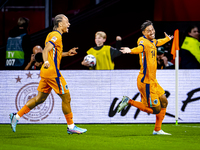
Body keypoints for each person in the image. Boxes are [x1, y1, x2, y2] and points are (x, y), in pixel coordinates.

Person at [9, 14, 87, 134]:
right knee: (66, 98)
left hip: (45, 72)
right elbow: (46, 50)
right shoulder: (56, 35)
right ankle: (71, 127)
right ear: (60, 24)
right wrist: (45, 62)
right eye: (67, 22)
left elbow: (53, 54)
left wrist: (67, 53)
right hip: (52, 72)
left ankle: (17, 116)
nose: (69, 24)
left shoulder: (51, 34)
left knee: (39, 99)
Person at [117, 20, 173, 135]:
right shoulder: (143, 41)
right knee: (156, 109)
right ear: (143, 32)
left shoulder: (152, 42)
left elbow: (158, 41)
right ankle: (129, 101)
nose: (152, 32)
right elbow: (140, 48)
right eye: (149, 30)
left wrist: (167, 39)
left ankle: (157, 130)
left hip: (153, 81)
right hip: (145, 81)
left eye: (152, 29)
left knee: (164, 101)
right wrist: (131, 50)